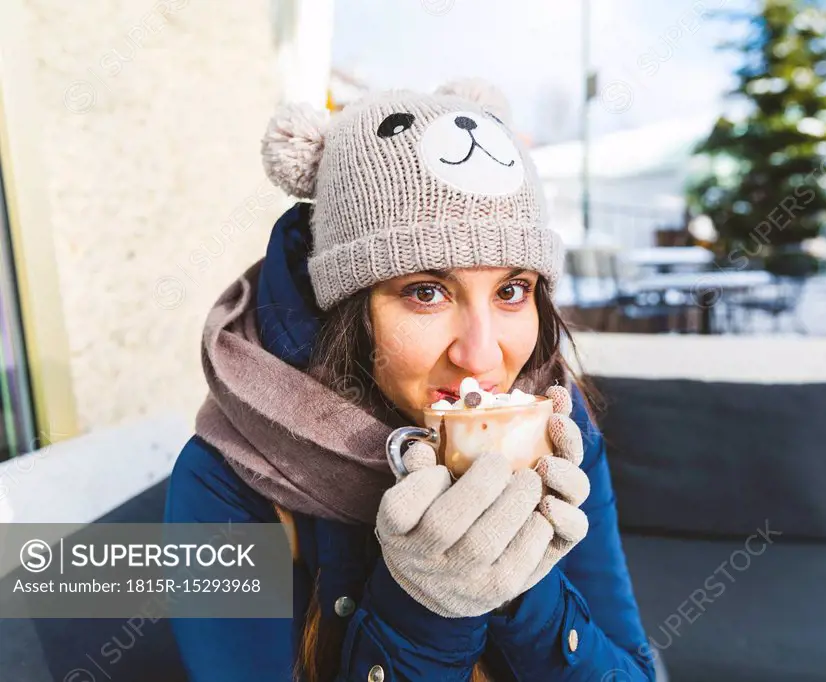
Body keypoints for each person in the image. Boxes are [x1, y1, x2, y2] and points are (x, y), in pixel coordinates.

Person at [164, 78, 656, 682]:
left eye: (511, 290)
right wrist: (428, 608)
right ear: (347, 309)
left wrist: (522, 588)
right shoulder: (230, 477)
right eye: (426, 292)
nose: (480, 355)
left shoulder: (558, 421)